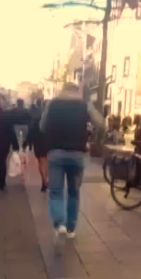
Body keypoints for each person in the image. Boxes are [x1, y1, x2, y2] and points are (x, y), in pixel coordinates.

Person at [42, 82, 106, 242]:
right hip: (77, 154)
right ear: (77, 92)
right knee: (74, 192)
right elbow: (102, 124)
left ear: (62, 90)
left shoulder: (52, 104)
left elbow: (42, 126)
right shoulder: (84, 105)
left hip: (55, 153)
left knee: (56, 191)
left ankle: (60, 223)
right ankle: (71, 228)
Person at [25, 105, 49, 193]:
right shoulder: (53, 120)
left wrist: (28, 142)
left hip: (38, 143)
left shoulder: (36, 119)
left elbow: (30, 132)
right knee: (47, 162)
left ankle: (44, 181)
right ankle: (46, 180)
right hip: (49, 142)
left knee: (41, 162)